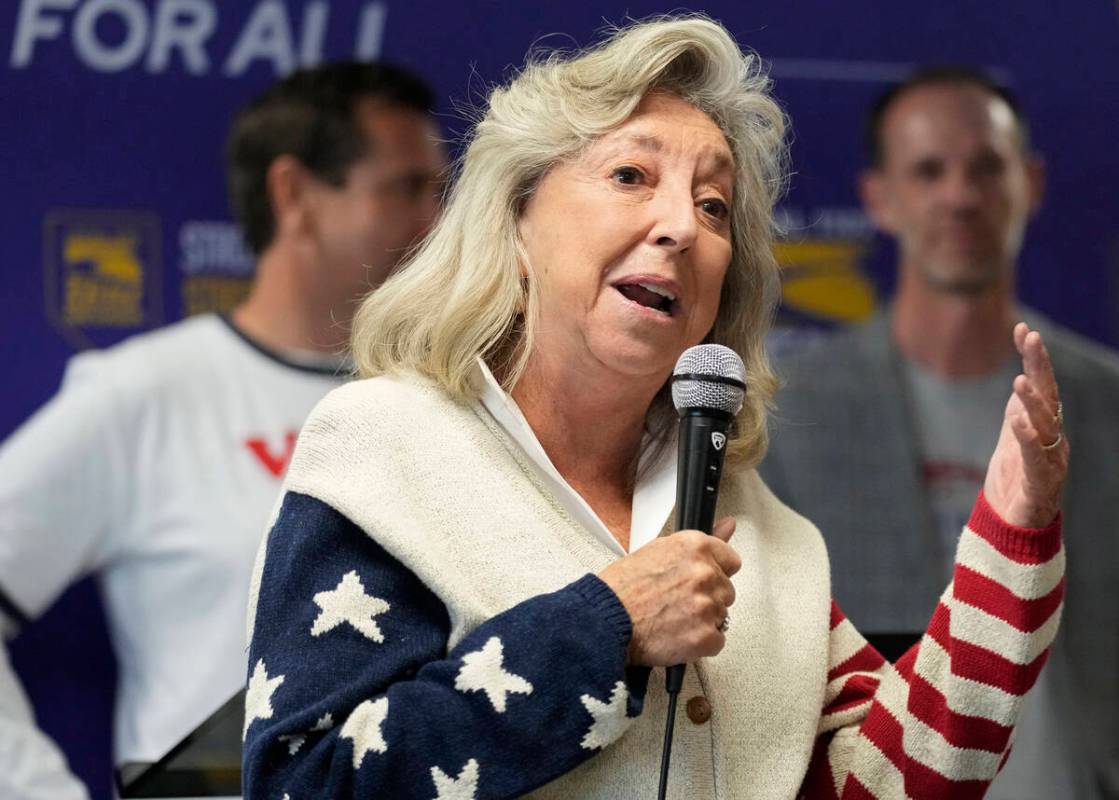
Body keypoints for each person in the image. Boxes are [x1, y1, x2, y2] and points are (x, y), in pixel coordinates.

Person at [243, 19, 1067, 799]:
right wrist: (609, 627)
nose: (680, 225)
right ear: (514, 226)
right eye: (631, 176)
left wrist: (1013, 530)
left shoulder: (761, 529)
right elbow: (304, 780)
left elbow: (882, 782)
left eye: (712, 207)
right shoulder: (385, 450)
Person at [0, 60, 445, 798]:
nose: (437, 223)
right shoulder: (146, 394)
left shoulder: (452, 400)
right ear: (294, 194)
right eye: (406, 189)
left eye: (441, 191)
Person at [759, 67, 1119, 799]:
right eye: (927, 171)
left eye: (985, 167)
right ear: (878, 199)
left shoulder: (1108, 401)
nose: (958, 196)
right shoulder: (788, 414)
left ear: (1032, 182)